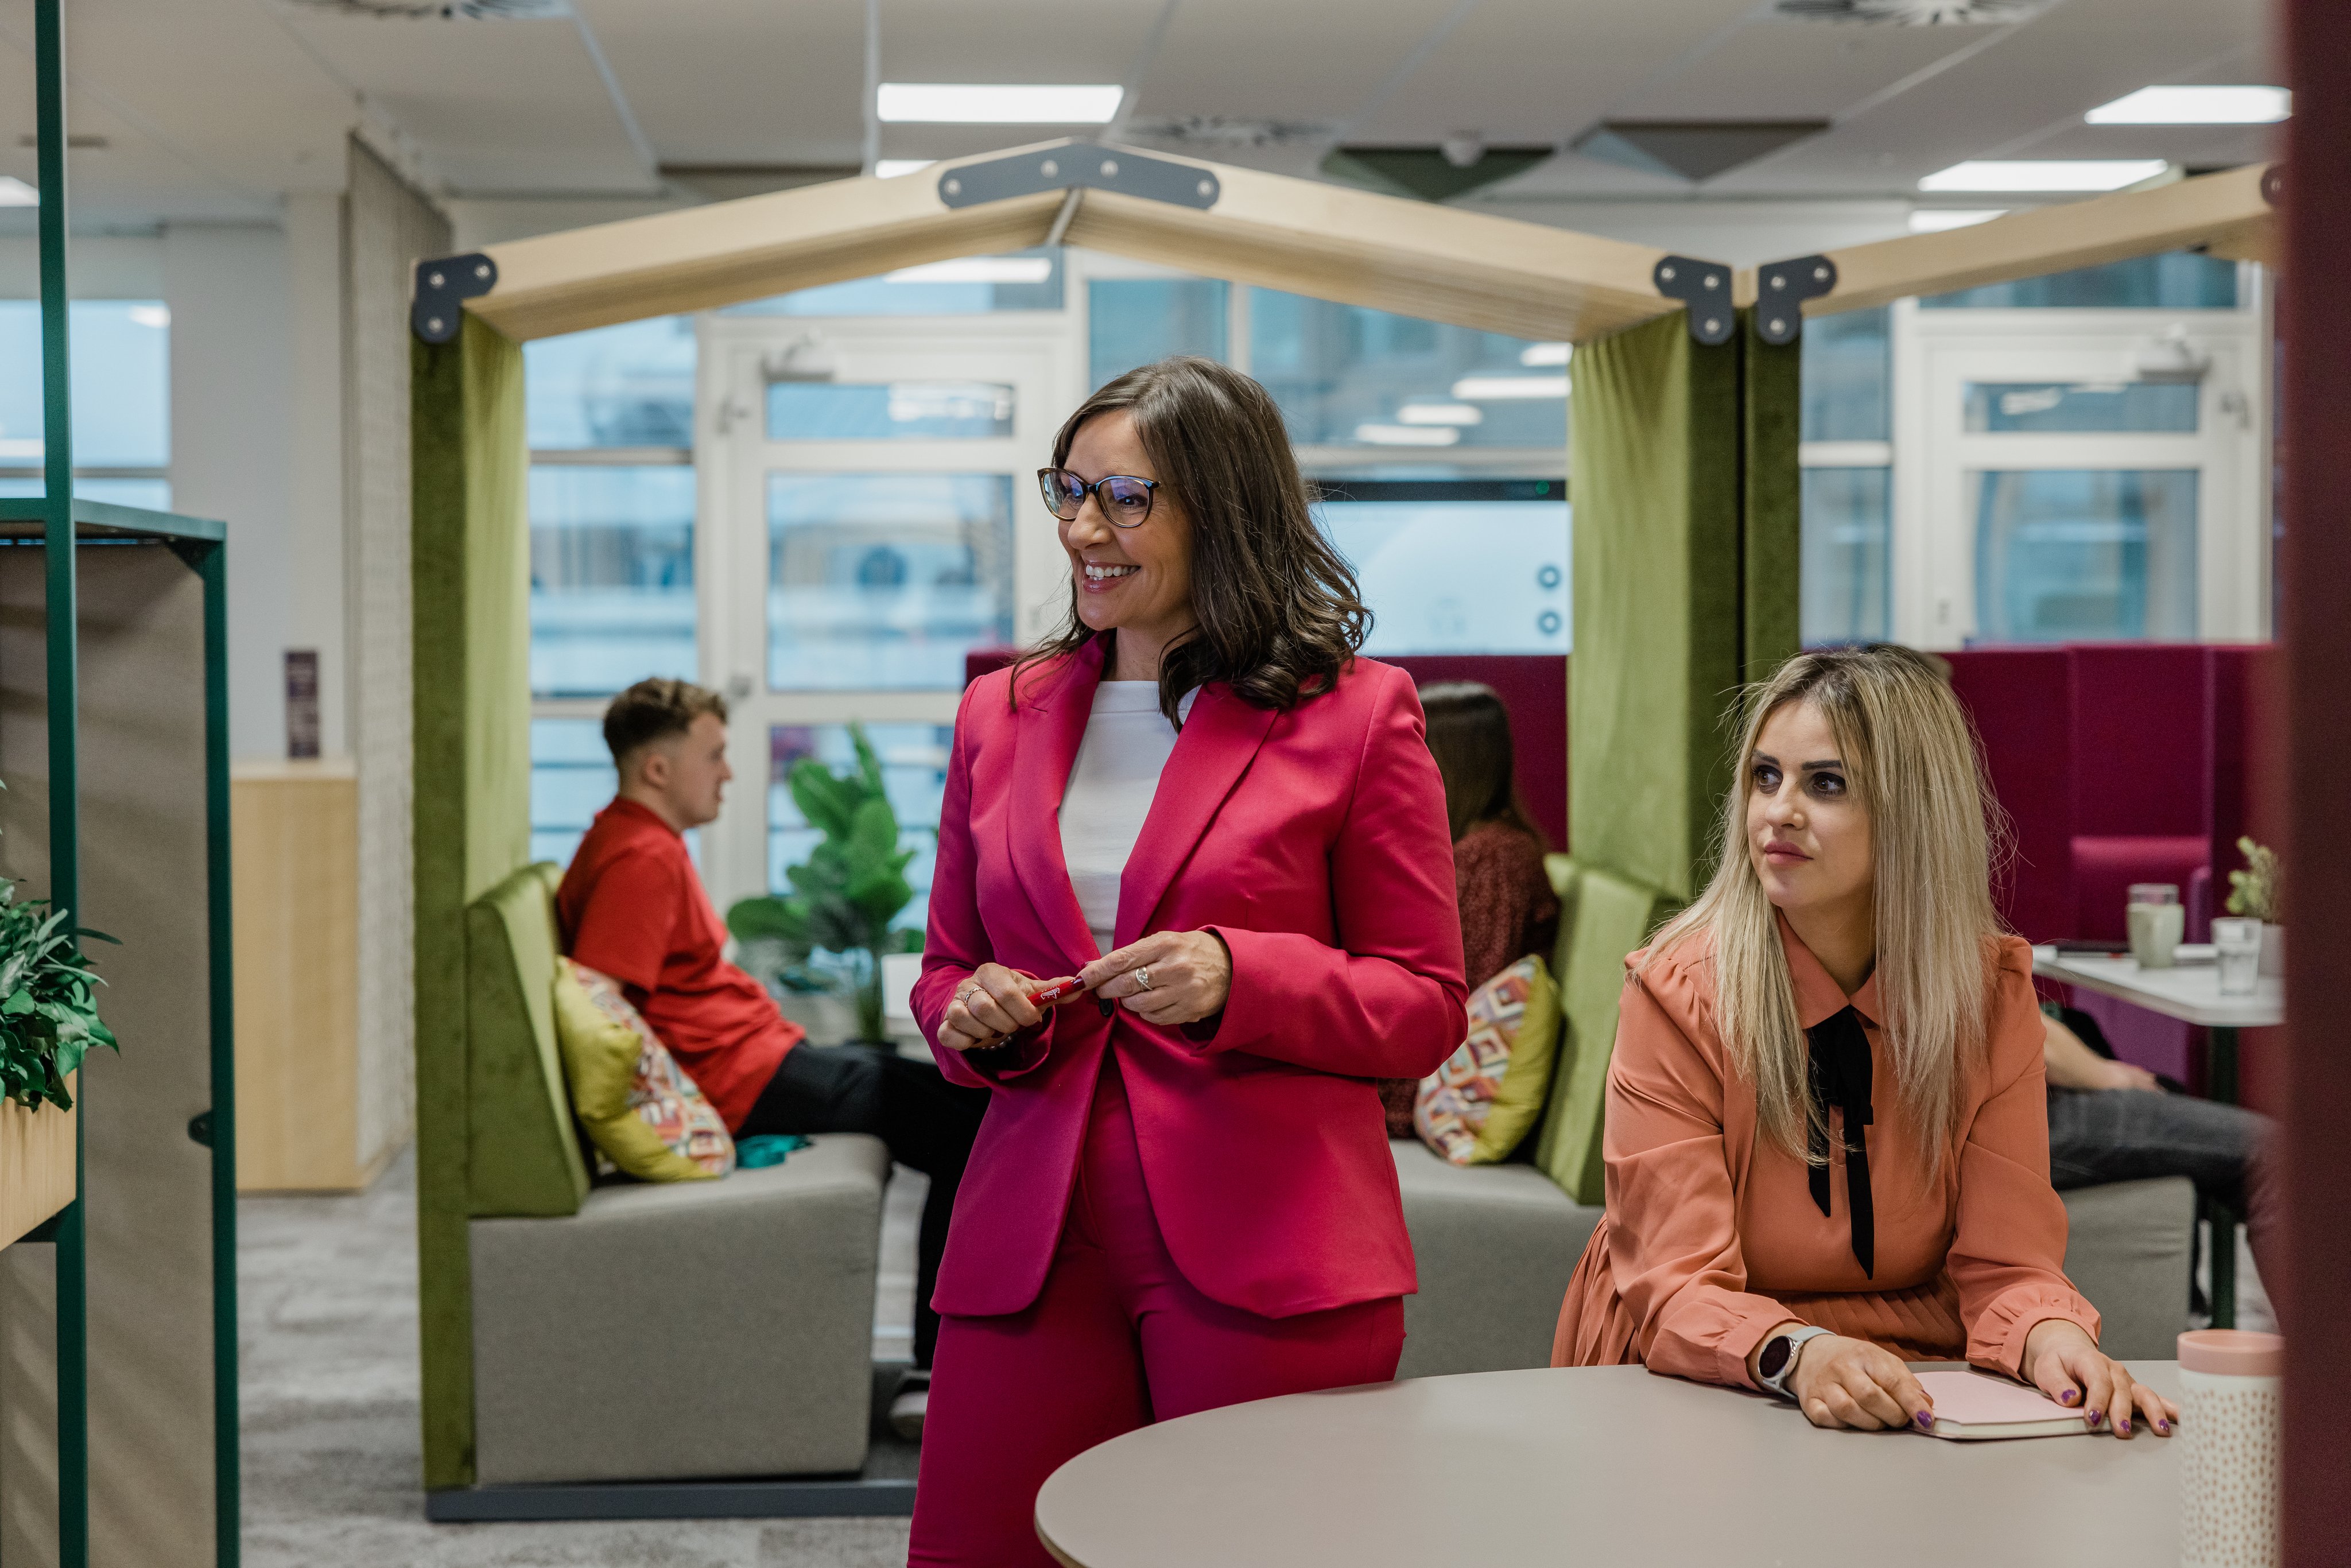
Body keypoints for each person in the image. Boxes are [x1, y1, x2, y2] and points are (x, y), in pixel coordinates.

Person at [907, 356, 1469, 1566]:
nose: (1080, 529)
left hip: (1269, 1243)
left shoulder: (1357, 712)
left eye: (1123, 498)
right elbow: (946, 965)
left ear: (1221, 508)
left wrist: (1240, 977)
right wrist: (972, 1008)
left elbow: (1424, 1004)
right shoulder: (998, 712)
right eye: (1068, 490)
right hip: (1029, 1238)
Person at [1554, 645, 2177, 1440]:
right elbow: (1677, 1283)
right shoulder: (1678, 993)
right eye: (1765, 776)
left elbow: (2010, 1263)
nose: (1778, 810)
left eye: (1827, 784)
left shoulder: (1987, 996)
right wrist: (1802, 1353)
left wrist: (2054, 1336)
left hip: (1912, 1368)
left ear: (1911, 813)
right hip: (1707, 1356)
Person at [555, 678, 986, 1418]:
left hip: (755, 1057)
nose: (727, 772)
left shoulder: (634, 839)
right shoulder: (639, 857)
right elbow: (602, 1006)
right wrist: (673, 1122)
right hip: (739, 1080)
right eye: (714, 755)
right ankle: (931, 1370)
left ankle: (943, 1358)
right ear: (657, 768)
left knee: (951, 1090)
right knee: (969, 1132)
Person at [1379, 681, 1559, 1136]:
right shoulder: (1479, 848)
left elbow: (1457, 1007)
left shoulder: (1493, 858)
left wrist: (1374, 1097)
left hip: (1426, 1090)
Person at [2041, 1007, 2282, 1311]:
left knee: (2167, 1089)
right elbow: (2028, 1034)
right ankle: (2320, 1338)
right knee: (2276, 1156)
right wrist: (2112, 1076)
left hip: (2013, 1103)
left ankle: (2191, 1306)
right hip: (2022, 1115)